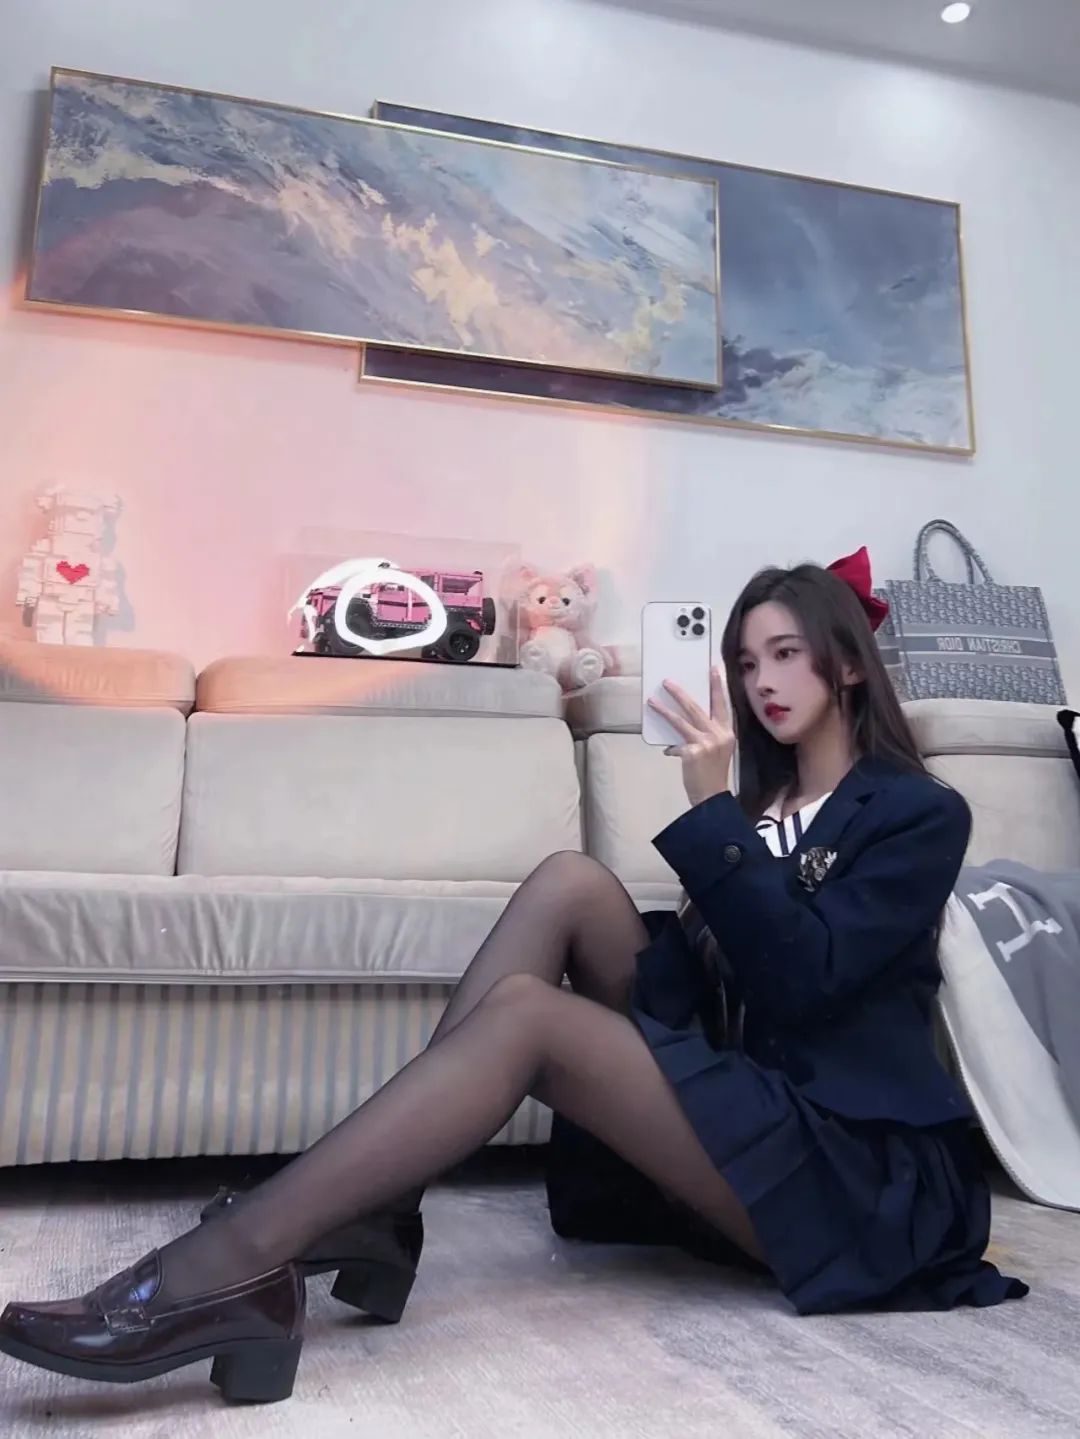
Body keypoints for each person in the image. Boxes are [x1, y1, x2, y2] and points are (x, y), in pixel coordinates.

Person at [0, 551, 1027, 1405]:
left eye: (787, 653)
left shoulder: (919, 811)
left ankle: (236, 1262)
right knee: (571, 881)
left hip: (853, 1175)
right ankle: (378, 1209)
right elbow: (713, 990)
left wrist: (712, 817)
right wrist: (720, 839)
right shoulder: (761, 803)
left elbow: (808, 981)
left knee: (531, 1019)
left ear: (846, 664)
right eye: (746, 659)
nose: (762, 680)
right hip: (760, 1099)